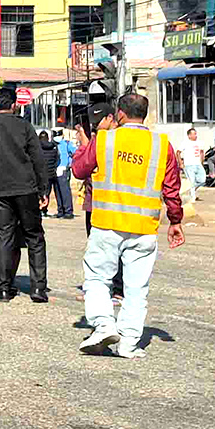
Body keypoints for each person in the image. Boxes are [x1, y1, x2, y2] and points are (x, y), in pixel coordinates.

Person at [73, 91, 185, 359]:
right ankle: (129, 343)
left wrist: (86, 143)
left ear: (120, 114)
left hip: (107, 223)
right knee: (137, 288)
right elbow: (171, 187)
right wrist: (176, 220)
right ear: (143, 115)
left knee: (98, 278)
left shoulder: (105, 139)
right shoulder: (161, 144)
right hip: (144, 227)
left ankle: (103, 325)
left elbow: (78, 170)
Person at [0, 85, 52, 303]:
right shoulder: (25, 127)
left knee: (2, 238)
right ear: (13, 105)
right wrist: (43, 188)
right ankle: (38, 288)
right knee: (35, 236)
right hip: (26, 188)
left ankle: (2, 288)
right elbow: (38, 158)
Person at [52, 126, 79, 218]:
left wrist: (70, 163)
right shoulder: (53, 144)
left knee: (65, 191)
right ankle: (61, 211)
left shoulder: (67, 144)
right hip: (55, 169)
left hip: (63, 169)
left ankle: (68, 211)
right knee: (57, 191)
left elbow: (76, 153)